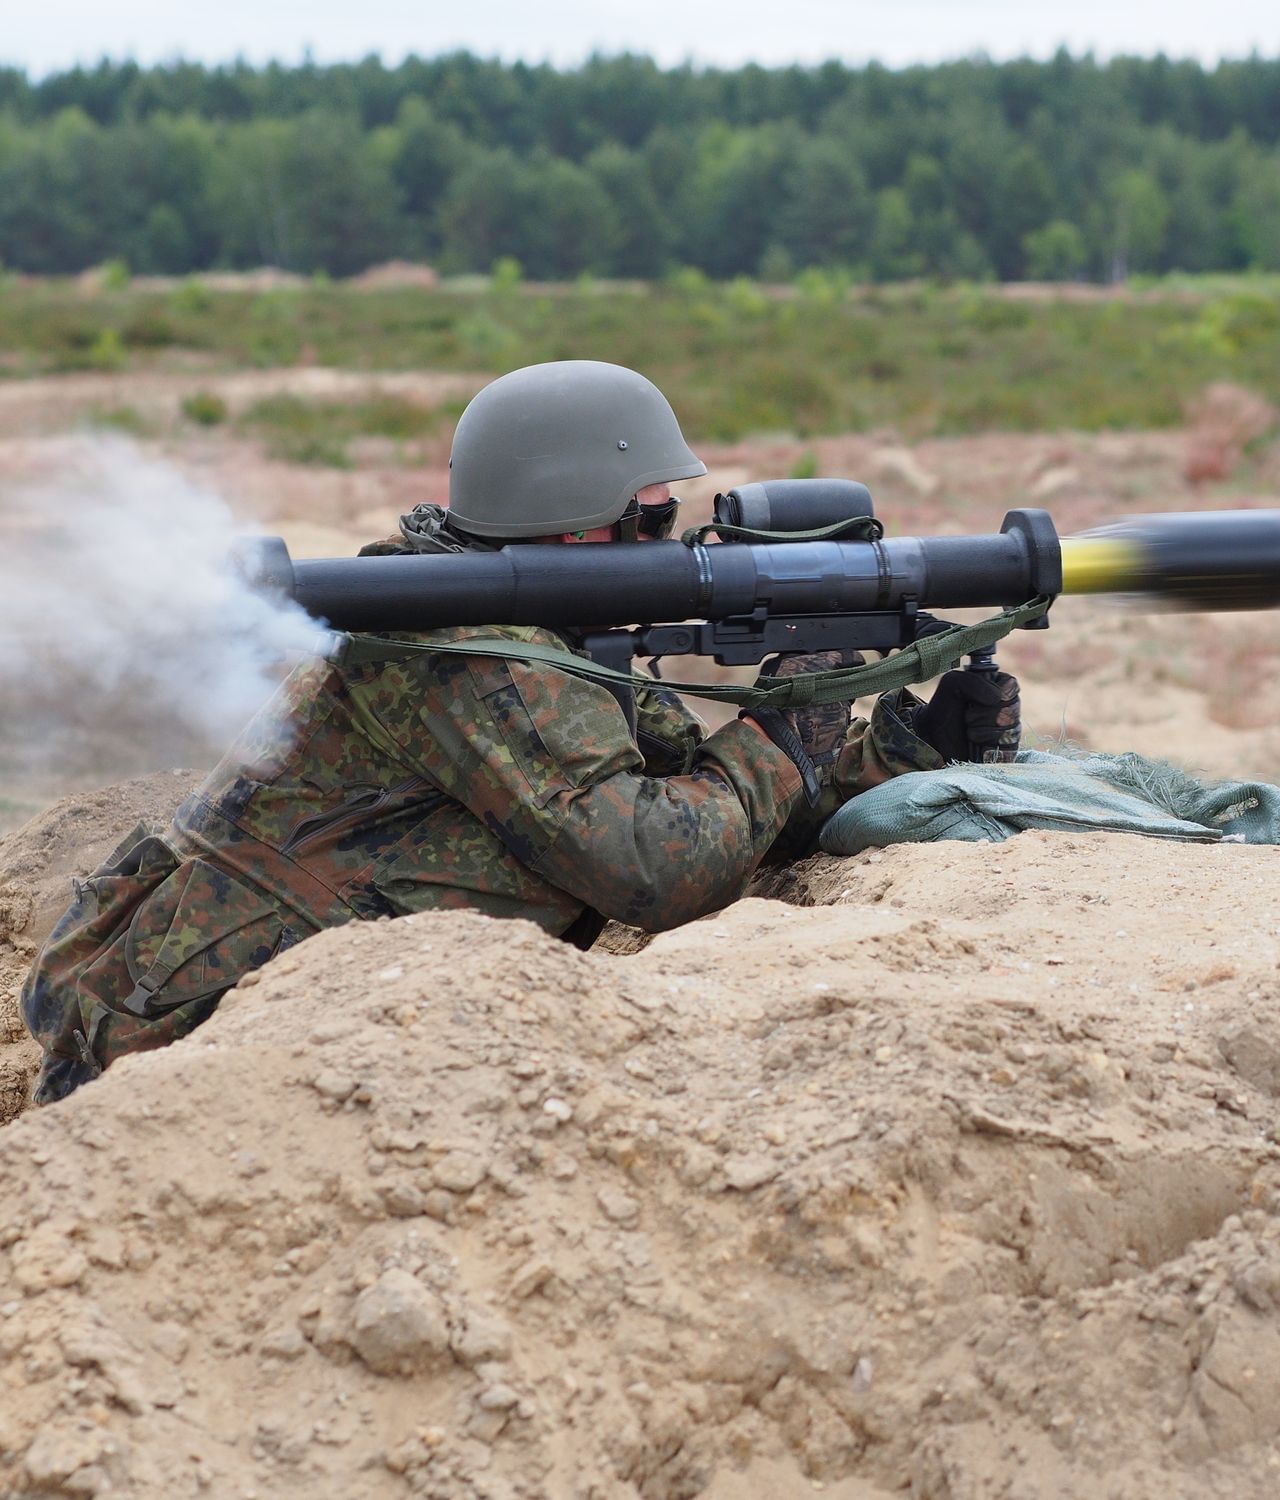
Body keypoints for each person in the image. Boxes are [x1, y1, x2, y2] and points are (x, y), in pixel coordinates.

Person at [21, 360, 1021, 1105]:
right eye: (652, 515)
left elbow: (707, 792)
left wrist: (908, 744)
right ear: (575, 518)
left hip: (252, 1031)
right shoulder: (474, 655)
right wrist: (790, 726)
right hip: (180, 1060)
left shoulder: (539, 636)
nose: (669, 538)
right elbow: (660, 867)